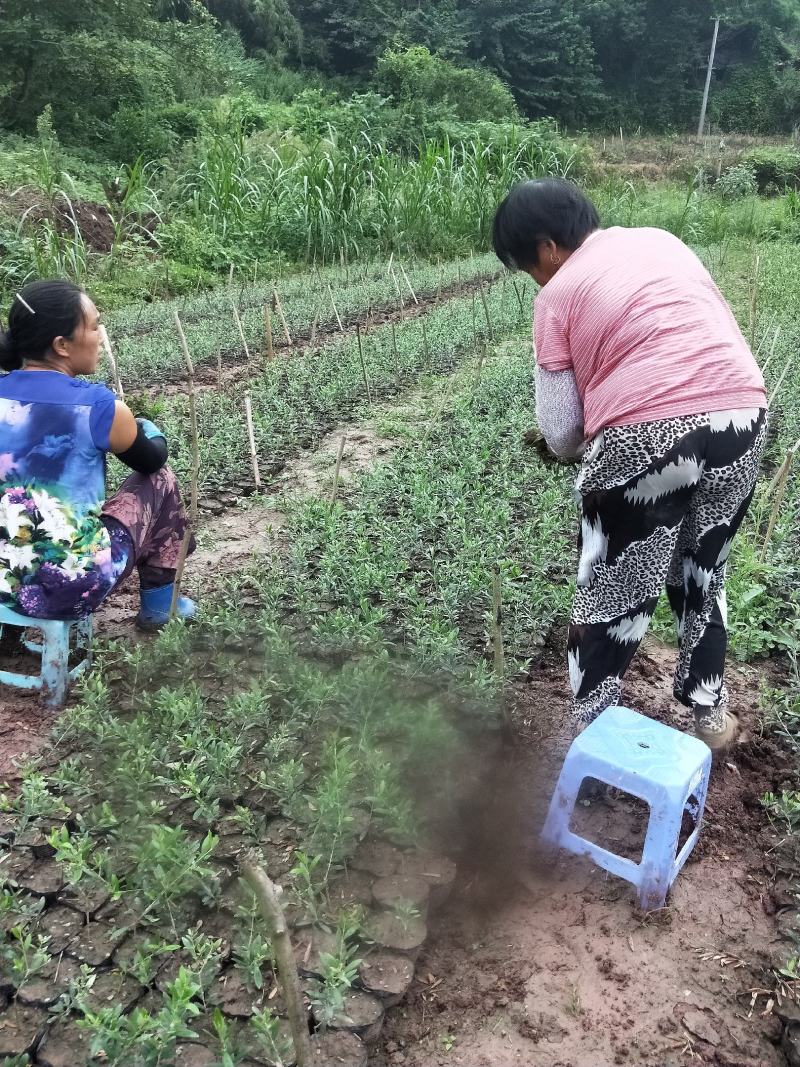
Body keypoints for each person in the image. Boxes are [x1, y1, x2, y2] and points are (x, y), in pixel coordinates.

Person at [492, 178, 768, 751]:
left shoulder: (559, 291)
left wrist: (561, 448)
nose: (534, 278)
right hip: (741, 415)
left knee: (611, 589)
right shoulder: (661, 242)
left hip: (647, 433)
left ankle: (590, 736)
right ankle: (709, 711)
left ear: (546, 247)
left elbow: (562, 430)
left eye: (527, 266)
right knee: (701, 567)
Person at [0, 279, 197, 631]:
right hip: (72, 585)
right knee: (160, 482)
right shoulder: (99, 407)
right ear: (62, 345)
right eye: (93, 326)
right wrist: (148, 428)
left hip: (3, 577)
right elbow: (152, 460)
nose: (100, 336)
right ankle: (159, 606)